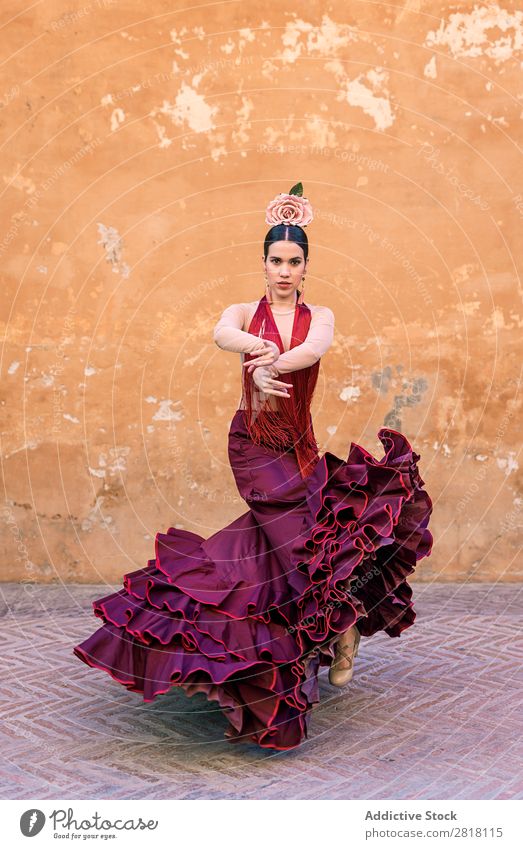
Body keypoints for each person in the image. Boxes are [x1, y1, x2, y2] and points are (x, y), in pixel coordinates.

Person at [73, 184, 433, 751]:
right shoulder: (244, 312)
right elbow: (221, 333)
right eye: (275, 260)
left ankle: (337, 636)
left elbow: (313, 350)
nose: (284, 270)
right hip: (254, 446)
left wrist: (274, 365)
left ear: (306, 266)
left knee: (308, 548)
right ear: (262, 263)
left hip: (300, 445)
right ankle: (329, 637)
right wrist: (254, 355)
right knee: (297, 547)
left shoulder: (320, 316)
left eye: (294, 262)